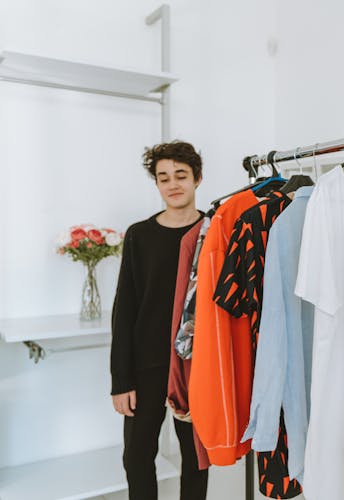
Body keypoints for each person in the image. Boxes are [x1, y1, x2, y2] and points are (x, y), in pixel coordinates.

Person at [111, 141, 209, 500]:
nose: (173, 184)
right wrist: (121, 380)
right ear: (156, 184)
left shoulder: (213, 233)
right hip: (146, 366)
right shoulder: (139, 235)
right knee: (137, 456)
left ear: (198, 178)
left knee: (197, 459)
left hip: (197, 367)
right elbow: (125, 310)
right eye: (163, 177)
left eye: (180, 175)